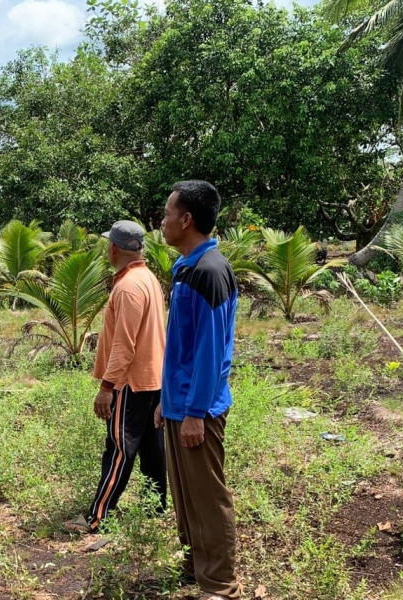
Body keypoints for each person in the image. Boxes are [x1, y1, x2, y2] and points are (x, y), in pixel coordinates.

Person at [155, 181, 242, 600]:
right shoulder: (188, 266)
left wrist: (194, 412)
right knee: (186, 495)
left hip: (198, 407)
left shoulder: (208, 270)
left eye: (167, 213)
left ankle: (221, 585)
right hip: (179, 403)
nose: (163, 220)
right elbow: (181, 348)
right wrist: (166, 401)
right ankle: (195, 566)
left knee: (207, 496)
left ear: (186, 219)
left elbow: (210, 353)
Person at [64, 221, 167, 534]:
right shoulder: (148, 278)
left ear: (114, 249)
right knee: (152, 448)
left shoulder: (128, 287)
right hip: (153, 378)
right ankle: (156, 509)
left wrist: (107, 387)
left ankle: (98, 516)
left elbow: (125, 344)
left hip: (131, 382)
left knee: (120, 447)